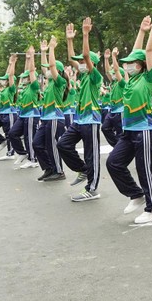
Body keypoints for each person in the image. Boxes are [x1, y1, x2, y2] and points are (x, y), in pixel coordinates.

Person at [106, 13, 152, 225]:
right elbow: (136, 52)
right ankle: (136, 194)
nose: (128, 65)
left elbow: (147, 51)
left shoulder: (149, 79)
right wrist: (141, 30)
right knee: (113, 163)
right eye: (127, 64)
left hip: (146, 130)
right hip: (129, 131)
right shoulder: (129, 82)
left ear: (141, 65)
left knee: (144, 168)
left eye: (132, 63)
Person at [57, 18, 104, 202]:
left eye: (83, 61)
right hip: (79, 120)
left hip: (91, 121)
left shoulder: (94, 76)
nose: (79, 64)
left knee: (92, 156)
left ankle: (92, 189)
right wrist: (69, 40)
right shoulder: (83, 75)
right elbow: (71, 58)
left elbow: (84, 56)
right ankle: (83, 170)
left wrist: (85, 35)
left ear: (90, 63)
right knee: (63, 144)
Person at [32, 37, 68, 182]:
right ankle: (48, 168)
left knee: (51, 144)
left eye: (51, 69)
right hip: (45, 118)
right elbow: (45, 67)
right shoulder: (49, 83)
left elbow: (51, 67)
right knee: (37, 144)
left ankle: (58, 171)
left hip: (55, 118)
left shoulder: (60, 82)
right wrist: (43, 51)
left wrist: (52, 49)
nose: (46, 71)